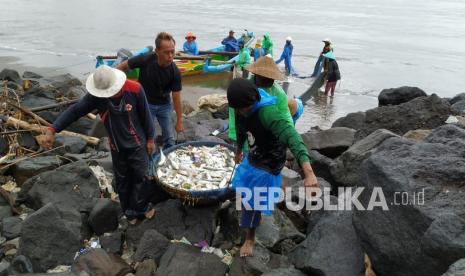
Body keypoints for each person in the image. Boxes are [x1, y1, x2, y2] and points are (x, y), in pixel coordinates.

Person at [42, 65, 156, 224]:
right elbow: (75, 111)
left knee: (142, 176)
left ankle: (141, 207)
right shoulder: (96, 96)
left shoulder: (135, 89)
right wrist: (53, 129)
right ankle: (130, 213)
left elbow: (146, 116)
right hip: (117, 146)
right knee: (123, 181)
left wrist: (151, 139)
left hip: (138, 143)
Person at [227, 78, 319, 257]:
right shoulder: (240, 107)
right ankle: (273, 192)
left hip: (271, 158)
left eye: (241, 109)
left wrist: (309, 173)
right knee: (245, 185)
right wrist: (239, 150)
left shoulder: (268, 113)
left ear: (252, 101)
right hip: (257, 150)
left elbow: (293, 138)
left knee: (254, 199)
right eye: (236, 109)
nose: (239, 112)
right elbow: (240, 128)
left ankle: (250, 238)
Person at [117, 32, 183, 149]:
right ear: (157, 51)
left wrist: (179, 121)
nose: (170, 56)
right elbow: (124, 65)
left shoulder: (175, 72)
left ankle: (169, 155)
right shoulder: (146, 59)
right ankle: (148, 158)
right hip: (146, 104)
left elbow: (176, 97)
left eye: (172, 51)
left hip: (165, 105)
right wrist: (114, 78)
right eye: (166, 52)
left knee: (169, 136)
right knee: (148, 136)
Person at [228, 56, 293, 145]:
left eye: (271, 79)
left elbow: (285, 115)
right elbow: (234, 113)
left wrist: (288, 136)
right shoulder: (243, 89)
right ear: (256, 75)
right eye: (264, 78)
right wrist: (233, 136)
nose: (268, 81)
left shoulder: (279, 93)